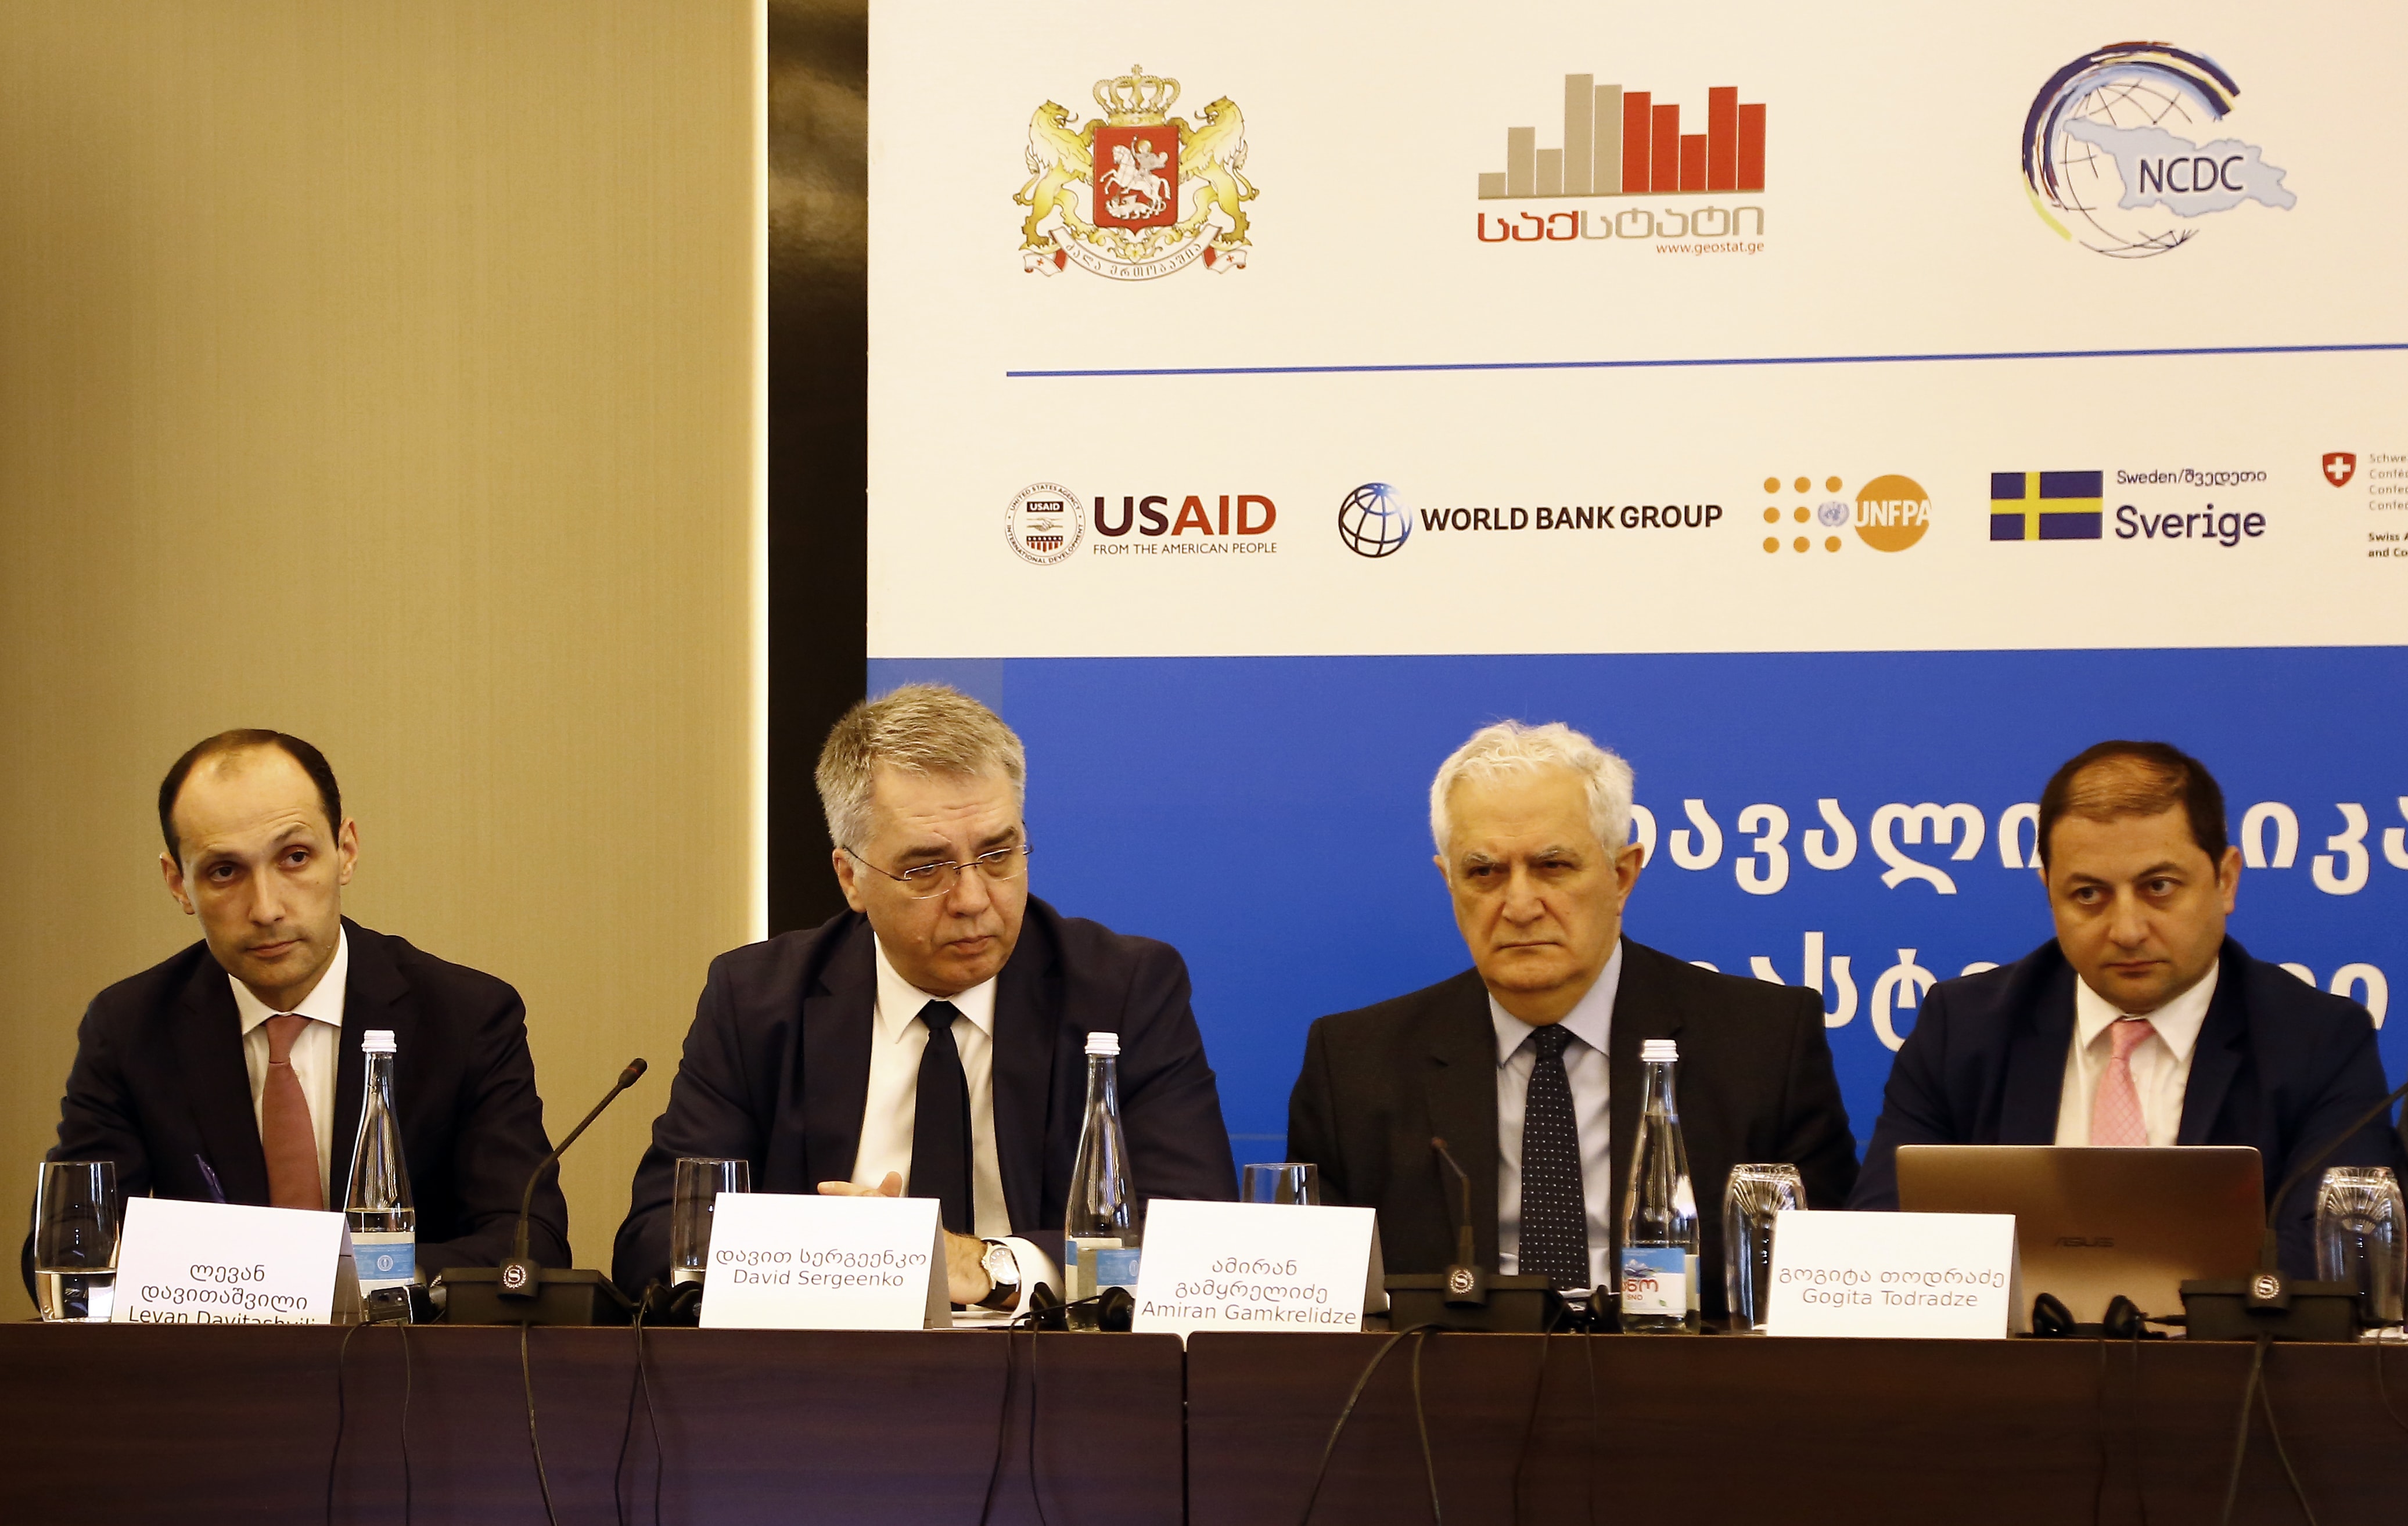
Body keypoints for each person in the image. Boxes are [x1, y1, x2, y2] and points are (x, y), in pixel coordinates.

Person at [613, 685, 1235, 1308]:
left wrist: (987, 1267)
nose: (972, 899)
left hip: (1047, 1358)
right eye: (925, 869)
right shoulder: (756, 1000)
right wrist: (830, 1257)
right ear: (851, 878)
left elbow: (1195, 1240)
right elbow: (658, 1241)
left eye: (997, 855)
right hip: (826, 1359)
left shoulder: (1122, 991)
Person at [1286, 721, 1857, 1316]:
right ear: (1449, 883)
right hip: (1446, 1372)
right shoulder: (1354, 1064)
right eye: (1484, 873)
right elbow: (1322, 1314)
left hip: (1682, 1369)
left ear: (1622, 876)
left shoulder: (1763, 1043)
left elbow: (1824, 1296)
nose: (1520, 905)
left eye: (1553, 866)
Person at [23, 731, 567, 1294]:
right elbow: (68, 1249)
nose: (266, 909)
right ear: (178, 884)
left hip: (406, 1346)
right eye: (224, 872)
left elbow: (529, 1242)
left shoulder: (464, 1016)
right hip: (216, 1352)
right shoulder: (130, 1028)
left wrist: (334, 1281)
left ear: (346, 851)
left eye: (295, 858)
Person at [1849, 740, 2399, 1276]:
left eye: (2159, 887)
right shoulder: (1964, 1028)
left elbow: (2336, 1258)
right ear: (2049, 892)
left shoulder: (2319, 1041)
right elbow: (1881, 1238)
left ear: (2226, 880)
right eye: (2089, 895)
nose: (2127, 930)